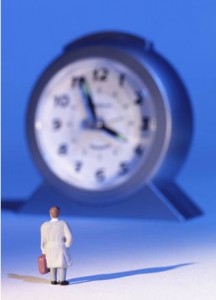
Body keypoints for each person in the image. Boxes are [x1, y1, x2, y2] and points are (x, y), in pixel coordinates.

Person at [40, 206, 73, 285]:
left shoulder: (44, 225)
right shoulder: (63, 224)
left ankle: (53, 280)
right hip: (60, 246)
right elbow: (70, 237)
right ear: (59, 213)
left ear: (50, 213)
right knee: (62, 264)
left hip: (49, 247)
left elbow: (43, 240)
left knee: (52, 264)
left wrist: (43, 249)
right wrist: (67, 245)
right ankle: (62, 280)